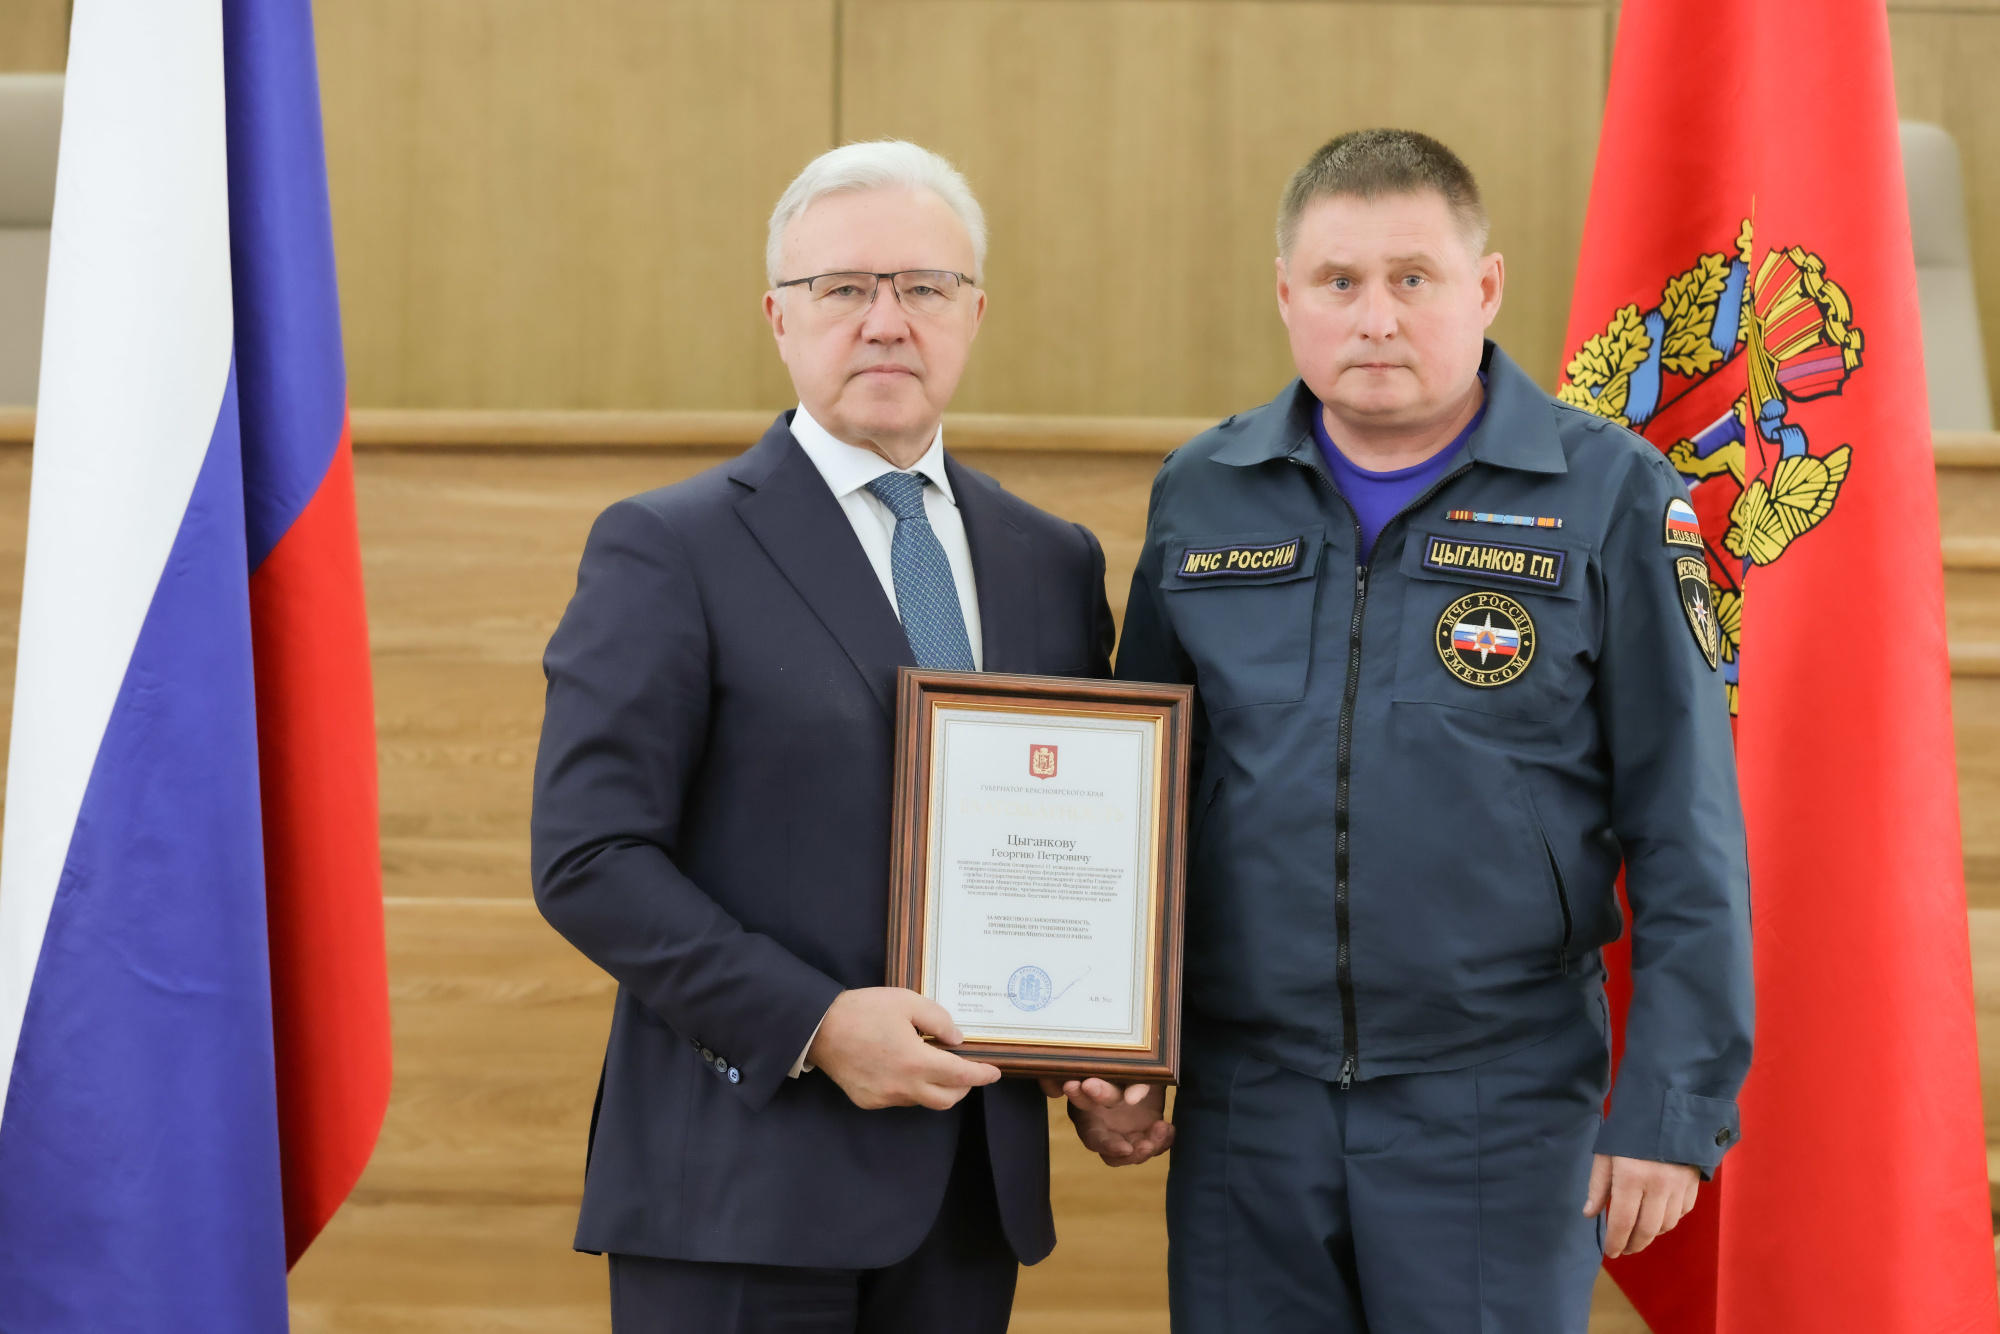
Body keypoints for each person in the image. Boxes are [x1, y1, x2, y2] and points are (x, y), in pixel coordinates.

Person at [1062, 128, 1754, 1331]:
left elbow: (1684, 820)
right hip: (1247, 1105)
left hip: (1500, 1101)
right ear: (1286, 297)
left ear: (1481, 288)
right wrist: (1121, 1041)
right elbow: (1144, 800)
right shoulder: (1203, 489)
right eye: (1337, 282)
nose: (1373, 316)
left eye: (1411, 278)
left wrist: (1669, 1106)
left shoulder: (1611, 493)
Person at [532, 140, 1117, 1333]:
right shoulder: (667, 546)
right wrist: (812, 1023)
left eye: (923, 287)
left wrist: (1105, 1049)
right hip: (740, 1192)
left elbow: (1080, 841)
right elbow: (588, 857)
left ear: (974, 312)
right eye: (843, 289)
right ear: (778, 320)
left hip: (966, 1196)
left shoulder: (1050, 562)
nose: (885, 321)